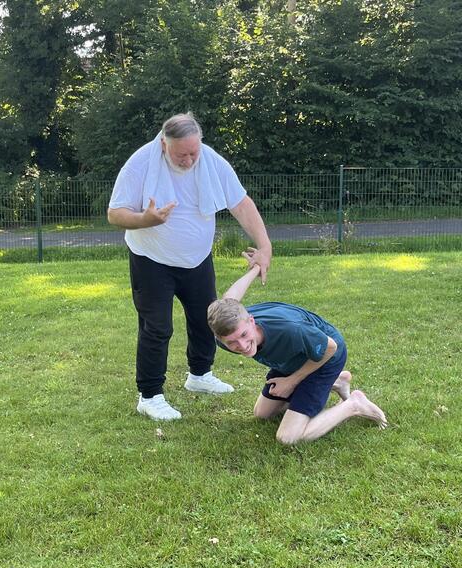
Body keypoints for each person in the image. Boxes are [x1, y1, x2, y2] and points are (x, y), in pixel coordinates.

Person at [108, 113, 272, 421]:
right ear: (163, 144)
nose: (189, 160)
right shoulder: (140, 163)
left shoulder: (211, 161)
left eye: (193, 152)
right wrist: (144, 219)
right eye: (181, 154)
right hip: (151, 259)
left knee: (205, 319)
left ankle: (200, 374)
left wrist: (265, 246)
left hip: (197, 259)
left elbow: (241, 204)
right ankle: (150, 395)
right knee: (157, 326)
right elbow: (115, 213)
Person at [207, 255, 387, 445]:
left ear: (251, 320)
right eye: (232, 342)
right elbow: (228, 300)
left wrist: (291, 381)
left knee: (287, 437)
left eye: (244, 335)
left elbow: (330, 347)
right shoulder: (227, 325)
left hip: (324, 357)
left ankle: (353, 404)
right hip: (291, 358)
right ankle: (338, 382)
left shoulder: (290, 330)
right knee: (262, 413)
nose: (243, 346)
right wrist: (256, 269)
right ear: (220, 338)